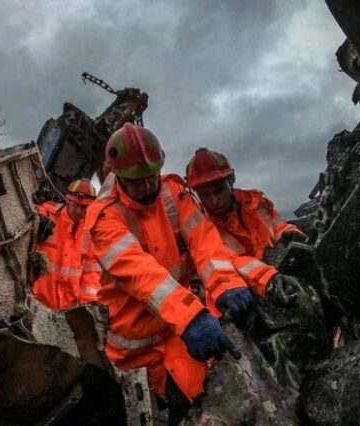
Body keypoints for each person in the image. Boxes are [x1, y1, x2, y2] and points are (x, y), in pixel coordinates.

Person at [83, 123, 253, 424]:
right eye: (138, 182)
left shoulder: (173, 191)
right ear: (118, 177)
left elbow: (204, 242)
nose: (148, 187)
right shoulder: (104, 219)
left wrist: (226, 284)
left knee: (202, 403)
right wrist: (192, 318)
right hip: (135, 353)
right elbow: (142, 274)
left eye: (152, 178)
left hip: (178, 333)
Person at [185, 147, 306, 306]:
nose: (214, 201)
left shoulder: (257, 203)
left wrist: (291, 234)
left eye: (218, 191)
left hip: (276, 274)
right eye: (205, 195)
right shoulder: (202, 228)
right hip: (242, 292)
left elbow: (278, 226)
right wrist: (269, 279)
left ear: (231, 180)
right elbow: (233, 261)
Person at [32, 178, 101, 310]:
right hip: (37, 300)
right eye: (75, 205)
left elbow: (91, 274)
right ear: (68, 200)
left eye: (84, 207)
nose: (79, 211)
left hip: (67, 307)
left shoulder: (91, 232)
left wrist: (88, 305)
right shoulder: (46, 215)